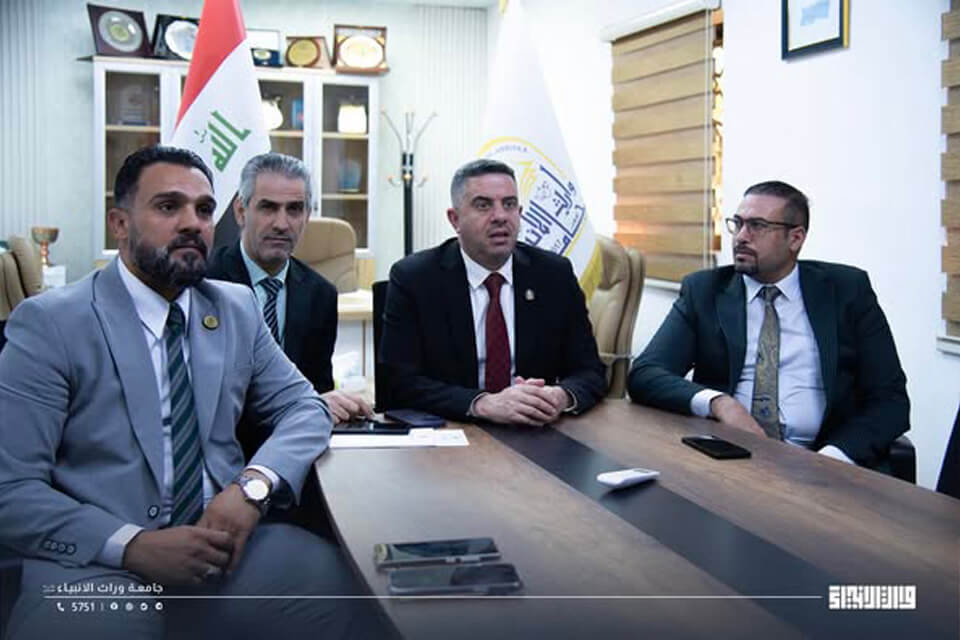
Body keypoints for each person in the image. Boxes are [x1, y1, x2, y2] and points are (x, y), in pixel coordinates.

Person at [0, 146, 377, 639]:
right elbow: (12, 490)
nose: (192, 223)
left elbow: (305, 407)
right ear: (119, 224)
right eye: (167, 206)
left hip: (227, 544)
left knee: (376, 606)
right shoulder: (52, 323)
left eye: (203, 209)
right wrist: (132, 545)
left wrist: (252, 488)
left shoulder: (235, 308)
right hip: (97, 560)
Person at [628, 180, 910, 470]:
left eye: (757, 226)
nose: (741, 237)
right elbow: (646, 373)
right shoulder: (705, 291)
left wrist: (832, 460)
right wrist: (720, 403)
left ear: (795, 239)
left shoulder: (847, 291)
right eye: (738, 224)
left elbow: (891, 401)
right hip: (727, 459)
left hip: (821, 462)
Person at [379, 158, 606, 425]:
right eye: (483, 205)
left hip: (535, 429)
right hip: (453, 430)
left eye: (509, 204)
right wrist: (481, 403)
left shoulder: (553, 275)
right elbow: (398, 382)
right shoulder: (416, 278)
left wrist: (560, 396)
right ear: (455, 219)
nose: (500, 216)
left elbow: (590, 371)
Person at [207, 152, 372, 429]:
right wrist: (303, 405)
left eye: (294, 209)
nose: (281, 224)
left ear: (307, 216)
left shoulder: (320, 295)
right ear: (240, 211)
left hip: (294, 441)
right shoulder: (205, 284)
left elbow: (318, 388)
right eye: (268, 208)